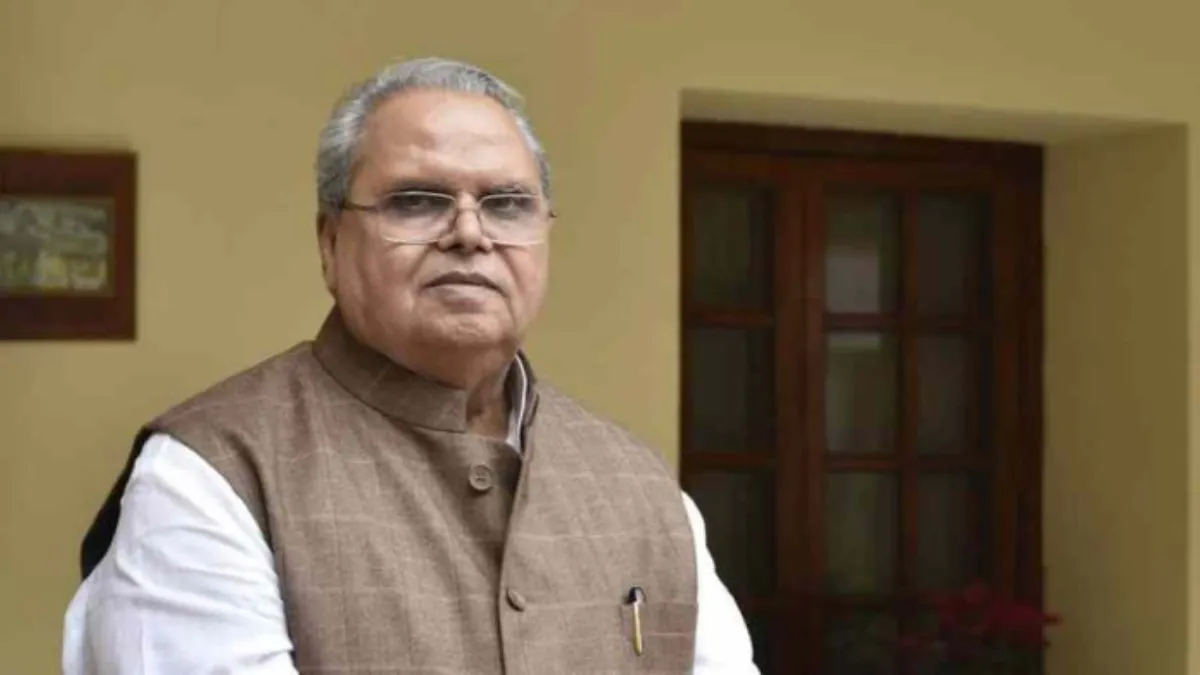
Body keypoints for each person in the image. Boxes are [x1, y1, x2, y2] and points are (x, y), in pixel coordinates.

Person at [63, 57, 759, 675]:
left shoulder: (641, 487)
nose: (469, 233)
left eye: (507, 204)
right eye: (418, 201)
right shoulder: (211, 474)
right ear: (330, 243)